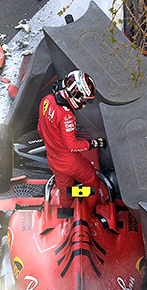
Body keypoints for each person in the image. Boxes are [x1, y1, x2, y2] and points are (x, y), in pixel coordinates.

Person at [37, 70, 107, 210]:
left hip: (53, 159)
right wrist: (94, 144)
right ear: (76, 95)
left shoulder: (46, 100)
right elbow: (72, 145)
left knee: (65, 190)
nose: (85, 102)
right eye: (84, 99)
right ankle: (90, 210)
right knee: (92, 182)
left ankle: (67, 212)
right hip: (70, 161)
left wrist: (54, 140)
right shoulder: (66, 115)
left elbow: (40, 128)